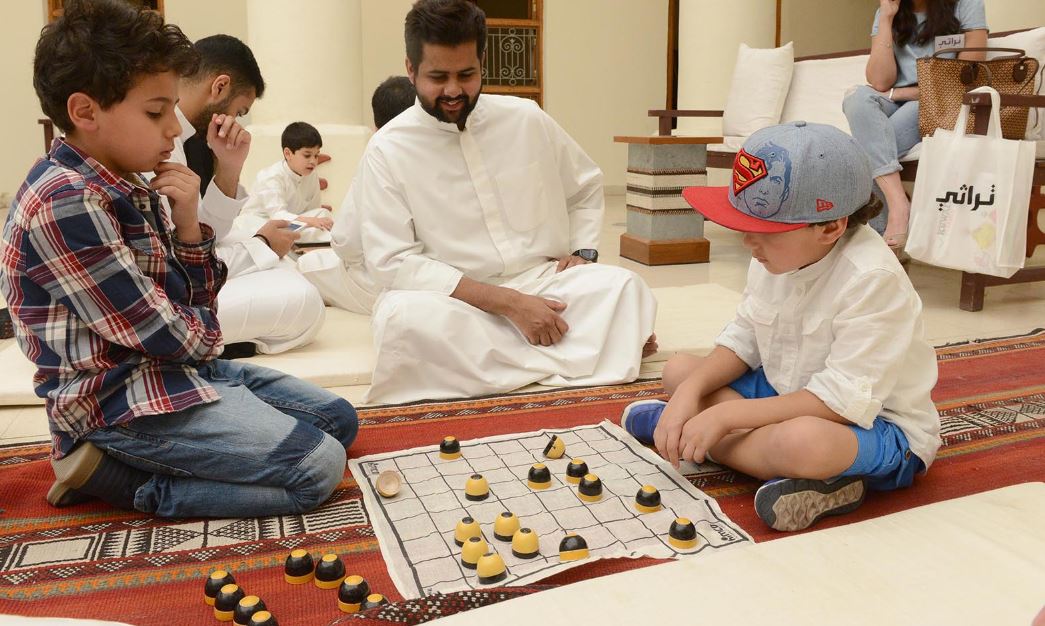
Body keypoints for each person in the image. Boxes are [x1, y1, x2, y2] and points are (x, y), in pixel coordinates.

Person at [0, 0, 358, 517]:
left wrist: (189, 224)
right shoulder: (66, 201)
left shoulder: (128, 177)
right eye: (156, 112)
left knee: (339, 420)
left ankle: (177, 452)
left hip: (176, 369)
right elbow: (172, 330)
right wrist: (204, 329)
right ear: (85, 112)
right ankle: (122, 477)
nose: (174, 127)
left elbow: (188, 302)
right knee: (317, 466)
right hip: (116, 402)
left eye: (171, 108)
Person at [621, 122, 940, 532]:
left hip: (876, 426)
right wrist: (690, 392)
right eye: (744, 225)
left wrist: (728, 415)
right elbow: (743, 338)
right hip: (787, 391)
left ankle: (697, 441)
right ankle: (747, 451)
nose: (748, 243)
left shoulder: (872, 279)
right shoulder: (771, 258)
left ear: (830, 228)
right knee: (680, 371)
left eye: (766, 232)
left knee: (801, 442)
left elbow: (839, 400)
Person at [354, 0, 658, 404]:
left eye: (466, 75)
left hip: (544, 284)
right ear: (411, 69)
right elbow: (391, 262)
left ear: (482, 62)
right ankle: (588, 353)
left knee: (625, 288)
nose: (453, 90)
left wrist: (583, 252)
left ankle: (510, 365)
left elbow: (584, 185)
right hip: (456, 299)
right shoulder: (388, 149)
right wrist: (511, 305)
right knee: (402, 321)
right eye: (437, 77)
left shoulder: (526, 118)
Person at [177, 35, 326, 356]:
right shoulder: (167, 132)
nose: (236, 120)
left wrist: (229, 168)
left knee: (286, 273)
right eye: (239, 111)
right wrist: (261, 247)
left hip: (183, 272)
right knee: (304, 301)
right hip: (165, 295)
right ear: (219, 87)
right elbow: (179, 263)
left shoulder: (187, 137)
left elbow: (204, 234)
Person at [842, 0, 987, 257]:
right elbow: (879, 81)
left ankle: (883, 249)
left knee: (868, 149)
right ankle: (899, 204)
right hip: (896, 101)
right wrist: (886, 18)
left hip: (941, 100)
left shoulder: (966, 3)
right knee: (856, 98)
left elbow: (967, 75)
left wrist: (902, 93)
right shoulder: (887, 12)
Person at [297, 76, 418, 314]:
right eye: (307, 155)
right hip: (436, 279)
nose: (312, 160)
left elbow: (346, 243)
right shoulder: (440, 150)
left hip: (383, 286)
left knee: (304, 265)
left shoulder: (377, 155)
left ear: (376, 126)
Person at [240, 121, 334, 245]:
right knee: (314, 227)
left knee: (324, 214)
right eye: (307, 155)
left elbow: (313, 211)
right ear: (288, 153)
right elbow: (277, 216)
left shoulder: (312, 175)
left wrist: (313, 222)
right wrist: (311, 222)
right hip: (259, 226)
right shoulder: (270, 176)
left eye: (316, 155)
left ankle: (314, 240)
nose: (313, 161)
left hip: (292, 225)